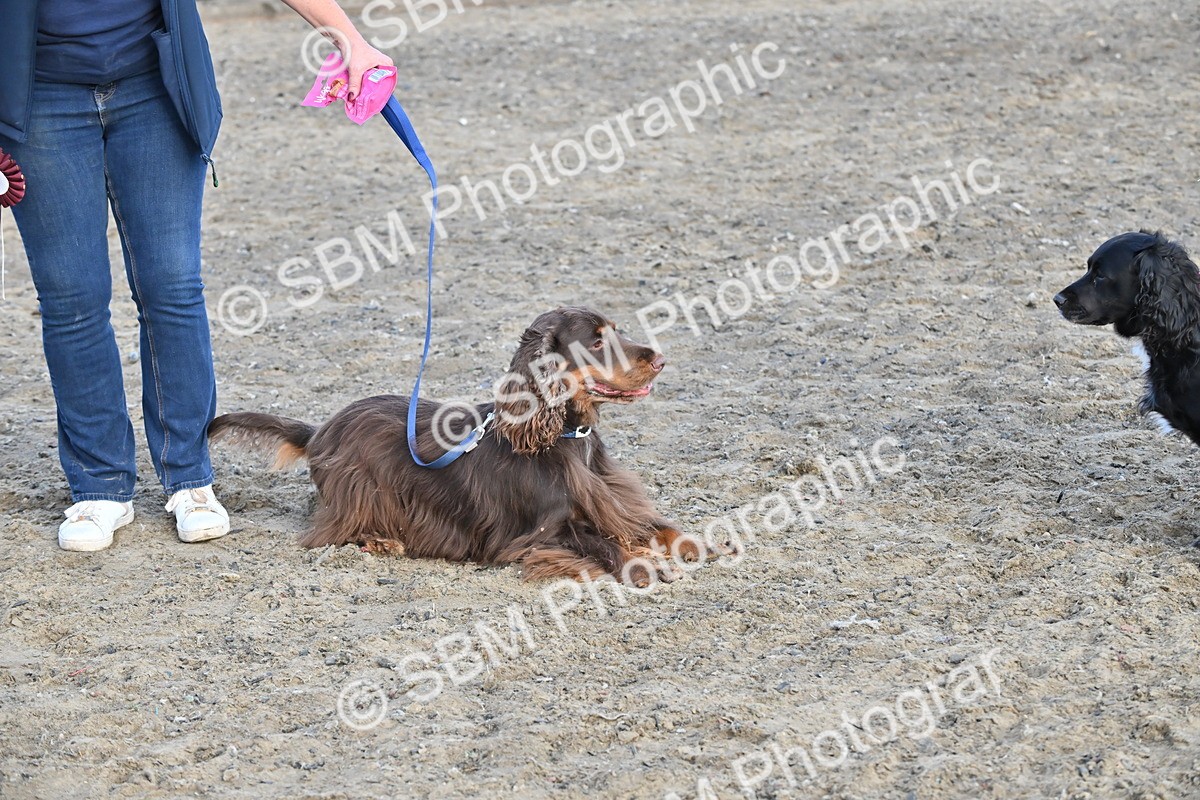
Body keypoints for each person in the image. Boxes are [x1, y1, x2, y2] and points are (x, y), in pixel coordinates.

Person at [0, 0, 392, 551]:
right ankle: (99, 486)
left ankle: (189, 478)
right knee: (71, 298)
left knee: (173, 288)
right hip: (36, 96)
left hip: (153, 89)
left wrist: (349, 37)